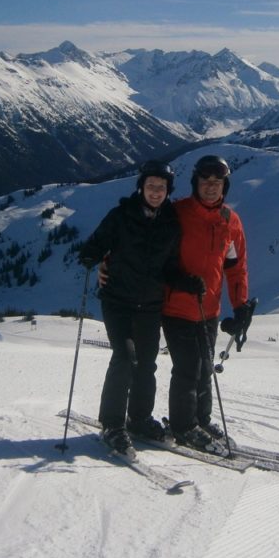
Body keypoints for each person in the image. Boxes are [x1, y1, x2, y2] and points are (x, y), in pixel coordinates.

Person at [78, 161, 204, 457]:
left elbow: (169, 267)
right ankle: (112, 424)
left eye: (161, 187)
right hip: (117, 301)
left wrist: (187, 282)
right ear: (141, 187)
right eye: (151, 186)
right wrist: (92, 259)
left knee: (146, 363)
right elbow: (95, 244)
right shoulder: (121, 216)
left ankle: (139, 419)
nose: (156, 192)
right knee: (125, 357)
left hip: (149, 304)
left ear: (168, 190)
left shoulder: (170, 224)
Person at [162, 154, 250, 452]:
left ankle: (201, 418)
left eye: (217, 182)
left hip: (209, 310)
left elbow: (235, 268)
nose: (211, 187)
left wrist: (240, 307)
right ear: (195, 183)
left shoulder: (230, 222)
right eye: (205, 182)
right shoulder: (177, 213)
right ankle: (183, 426)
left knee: (204, 368)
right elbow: (153, 252)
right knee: (188, 368)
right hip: (176, 306)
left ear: (225, 185)